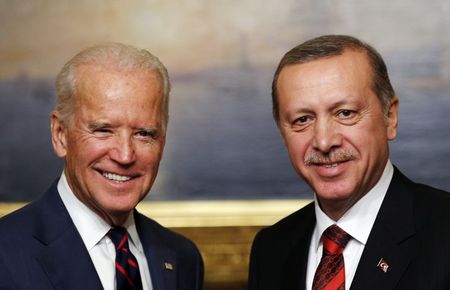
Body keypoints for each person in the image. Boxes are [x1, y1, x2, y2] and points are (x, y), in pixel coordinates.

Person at [249, 35, 450, 290]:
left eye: (345, 113)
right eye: (302, 119)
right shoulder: (271, 249)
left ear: (390, 117)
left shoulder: (443, 233)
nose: (323, 141)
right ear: (282, 134)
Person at [0, 43, 203, 290]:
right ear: (60, 134)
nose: (126, 155)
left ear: (163, 140)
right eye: (103, 130)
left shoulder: (182, 258)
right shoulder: (7, 254)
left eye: (144, 133)